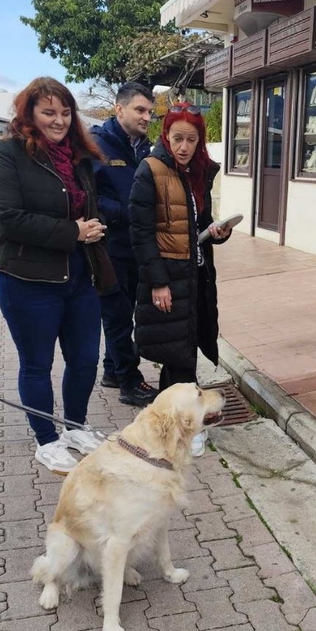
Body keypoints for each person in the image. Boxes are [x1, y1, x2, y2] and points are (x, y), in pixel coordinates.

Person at [0, 76, 117, 475]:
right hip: (27, 280)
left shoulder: (79, 156)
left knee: (84, 360)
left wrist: (95, 224)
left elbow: (91, 203)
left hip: (80, 276)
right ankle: (47, 440)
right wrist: (72, 231)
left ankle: (75, 427)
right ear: (29, 114)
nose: (58, 121)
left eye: (64, 112)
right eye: (48, 113)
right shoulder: (8, 153)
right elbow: (6, 218)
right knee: (37, 365)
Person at [129, 103, 231, 456]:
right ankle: (186, 429)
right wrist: (158, 281)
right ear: (166, 137)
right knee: (180, 357)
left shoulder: (198, 172)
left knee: (183, 351)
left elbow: (200, 223)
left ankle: (173, 427)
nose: (184, 146)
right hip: (168, 277)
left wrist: (216, 231)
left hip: (196, 274)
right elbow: (140, 233)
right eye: (177, 138)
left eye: (191, 139)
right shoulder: (151, 171)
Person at [90, 82, 158, 407]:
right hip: (109, 247)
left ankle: (111, 371)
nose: (147, 117)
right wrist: (126, 213)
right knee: (117, 315)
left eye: (150, 112)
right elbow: (88, 197)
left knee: (125, 311)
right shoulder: (96, 146)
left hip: (135, 246)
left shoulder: (144, 147)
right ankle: (131, 383)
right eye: (140, 110)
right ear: (119, 109)